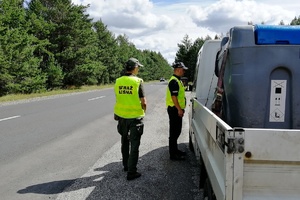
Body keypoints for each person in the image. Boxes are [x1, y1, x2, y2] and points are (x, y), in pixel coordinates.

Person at [114, 57, 147, 180]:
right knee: (134, 144)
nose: (138, 69)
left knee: (124, 141)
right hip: (134, 118)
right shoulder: (138, 81)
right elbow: (143, 101)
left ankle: (126, 165)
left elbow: (118, 98)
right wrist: (144, 111)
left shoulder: (118, 81)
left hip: (122, 117)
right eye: (138, 67)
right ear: (134, 68)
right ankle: (132, 172)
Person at [166, 62, 188, 160]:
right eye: (183, 70)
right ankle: (173, 154)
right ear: (178, 69)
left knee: (177, 131)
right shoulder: (174, 81)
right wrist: (179, 109)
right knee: (174, 132)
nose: (184, 72)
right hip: (174, 110)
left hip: (176, 109)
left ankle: (175, 150)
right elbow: (173, 96)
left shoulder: (177, 80)